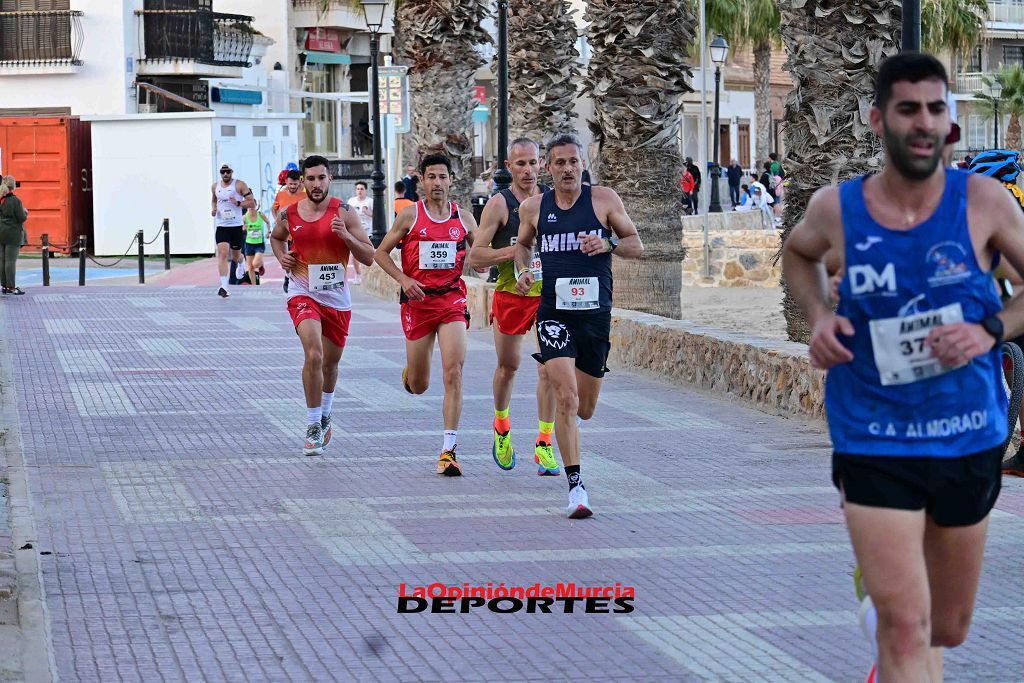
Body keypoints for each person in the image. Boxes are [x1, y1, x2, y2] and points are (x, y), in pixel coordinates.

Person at [782, 52, 1024, 682]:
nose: (924, 123)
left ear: (950, 125)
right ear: (877, 119)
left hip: (967, 433)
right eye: (908, 109)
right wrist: (817, 318)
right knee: (907, 629)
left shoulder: (986, 203)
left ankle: (882, 594)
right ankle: (888, 599)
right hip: (873, 434)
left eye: (936, 109)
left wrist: (987, 328)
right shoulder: (838, 209)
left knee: (946, 626)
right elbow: (798, 254)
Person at [514, 132, 644, 518]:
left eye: (574, 161)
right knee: (566, 399)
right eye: (559, 163)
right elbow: (523, 245)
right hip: (554, 314)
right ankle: (576, 488)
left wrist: (609, 245)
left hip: (594, 316)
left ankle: (571, 463)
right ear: (548, 169)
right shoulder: (534, 209)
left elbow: (637, 244)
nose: (567, 168)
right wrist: (524, 270)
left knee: (585, 408)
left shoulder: (603, 200)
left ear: (582, 165)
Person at [373, 153, 486, 477]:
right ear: (421, 180)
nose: (437, 183)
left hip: (451, 301)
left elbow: (479, 258)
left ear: (451, 179)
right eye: (431, 177)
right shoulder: (410, 216)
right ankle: (413, 373)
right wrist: (404, 280)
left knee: (454, 372)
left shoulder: (463, 219)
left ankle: (448, 450)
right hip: (417, 305)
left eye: (442, 177)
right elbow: (380, 252)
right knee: (420, 385)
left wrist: (496, 258)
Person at [269, 155, 375, 456]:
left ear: (330, 179)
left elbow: (368, 256)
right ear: (302, 180)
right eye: (310, 178)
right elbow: (276, 238)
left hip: (337, 298)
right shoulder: (290, 214)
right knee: (313, 353)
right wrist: (281, 257)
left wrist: (345, 237)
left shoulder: (344, 212)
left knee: (330, 363)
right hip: (303, 292)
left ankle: (326, 414)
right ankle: (313, 424)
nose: (316, 184)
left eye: (321, 178)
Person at [468, 137, 559, 476]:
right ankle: (502, 427)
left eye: (534, 162)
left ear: (543, 165)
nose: (528, 170)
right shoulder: (499, 204)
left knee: (550, 367)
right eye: (520, 164)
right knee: (509, 367)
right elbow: (475, 256)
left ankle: (545, 443)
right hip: (509, 294)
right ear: (509, 167)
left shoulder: (553, 201)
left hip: (547, 297)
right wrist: (516, 250)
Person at [211, 164, 255, 298]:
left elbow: (252, 203)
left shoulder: (240, 185)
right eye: (223, 172)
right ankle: (224, 287)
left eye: (227, 172)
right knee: (223, 254)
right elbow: (214, 200)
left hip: (236, 225)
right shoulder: (215, 186)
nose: (225, 174)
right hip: (221, 225)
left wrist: (238, 203)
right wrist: (214, 209)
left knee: (235, 256)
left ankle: (241, 263)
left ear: (231, 172)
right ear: (220, 173)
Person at [273, 169, 305, 293]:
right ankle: (288, 277)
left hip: (300, 233)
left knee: (298, 261)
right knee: (287, 259)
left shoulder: (305, 196)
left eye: (295, 184)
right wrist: (277, 220)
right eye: (290, 184)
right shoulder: (281, 195)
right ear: (286, 181)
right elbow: (274, 208)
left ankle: (295, 282)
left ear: (299, 182)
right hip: (285, 234)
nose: (292, 186)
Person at [0, 175, 27, 295]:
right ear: (13, 186)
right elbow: (21, 217)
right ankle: (11, 287)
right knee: (10, 261)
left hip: (1, 232)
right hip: (13, 234)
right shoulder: (15, 200)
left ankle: (4, 286)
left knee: (2, 261)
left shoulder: (1, 199)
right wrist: (26, 212)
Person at [347, 181, 373, 284]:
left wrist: (367, 212)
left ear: (366, 190)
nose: (359, 191)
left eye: (362, 189)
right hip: (355, 232)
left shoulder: (370, 201)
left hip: (368, 232)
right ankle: (358, 275)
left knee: (368, 255)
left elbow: (378, 216)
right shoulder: (351, 201)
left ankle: (367, 277)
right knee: (355, 254)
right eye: (358, 189)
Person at [242, 204, 268, 285]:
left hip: (259, 243)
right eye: (250, 206)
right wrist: (243, 228)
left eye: (253, 206)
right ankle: (254, 286)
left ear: (256, 205)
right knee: (250, 267)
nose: (251, 208)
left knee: (255, 264)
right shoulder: (244, 217)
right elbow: (240, 228)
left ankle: (260, 265)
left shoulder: (260, 215)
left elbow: (267, 222)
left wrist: (268, 232)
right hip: (249, 244)